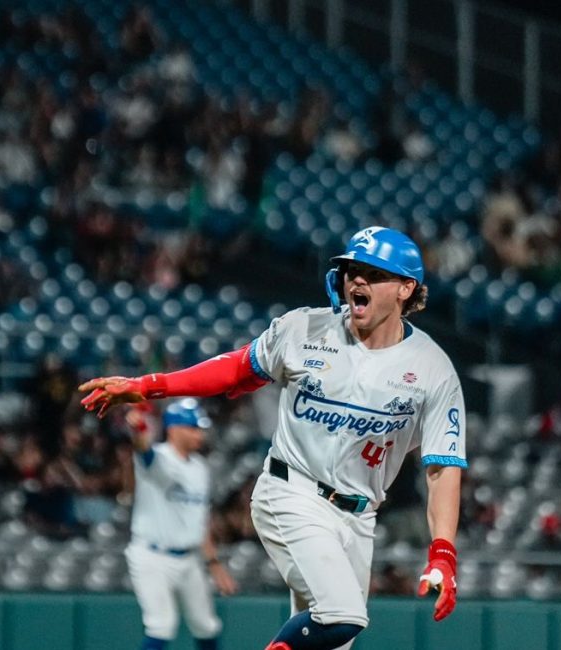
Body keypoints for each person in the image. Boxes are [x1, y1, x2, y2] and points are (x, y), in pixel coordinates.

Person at [81, 227, 466, 650]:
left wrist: (442, 553)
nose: (357, 280)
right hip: (292, 492)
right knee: (344, 615)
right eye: (352, 270)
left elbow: (442, 467)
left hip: (358, 517)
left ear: (406, 288)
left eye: (373, 274)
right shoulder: (304, 329)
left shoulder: (433, 368)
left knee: (331, 638)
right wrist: (152, 385)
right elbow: (233, 370)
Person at [123, 399, 237, 650]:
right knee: (161, 625)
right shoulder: (159, 458)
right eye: (194, 428)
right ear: (174, 429)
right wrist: (138, 429)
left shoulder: (200, 467)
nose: (200, 434)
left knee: (206, 625)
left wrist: (214, 564)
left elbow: (200, 520)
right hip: (152, 556)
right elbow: (144, 450)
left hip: (189, 558)